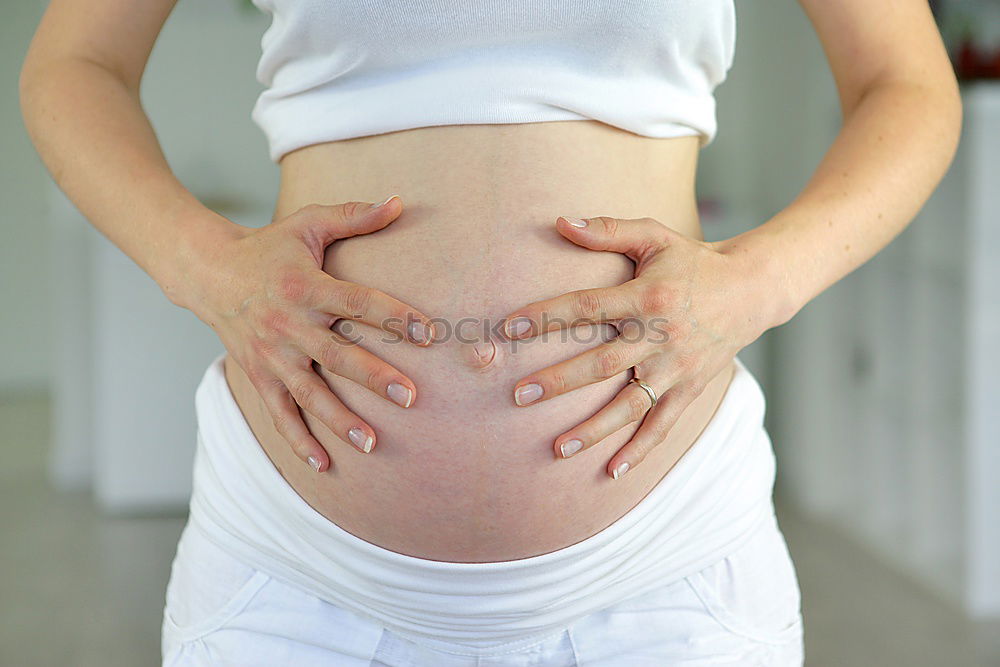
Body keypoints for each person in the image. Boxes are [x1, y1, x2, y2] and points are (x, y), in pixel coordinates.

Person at [20, 0, 961, 664]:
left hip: (661, 570)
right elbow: (74, 64)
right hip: (299, 576)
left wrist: (760, 282)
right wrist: (206, 267)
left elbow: (907, 83)